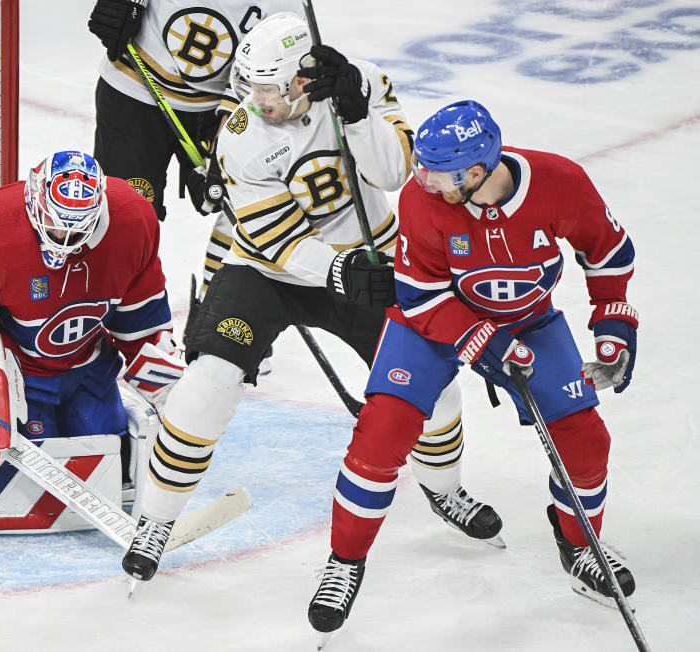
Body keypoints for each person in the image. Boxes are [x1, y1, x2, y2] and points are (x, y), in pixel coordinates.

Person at [121, 13, 503, 584]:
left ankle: (444, 489)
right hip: (269, 271)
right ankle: (153, 521)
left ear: (303, 79)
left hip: (370, 258)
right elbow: (271, 237)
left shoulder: (363, 83)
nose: (254, 99)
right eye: (248, 85)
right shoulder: (240, 136)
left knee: (436, 387)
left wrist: (356, 115)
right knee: (209, 384)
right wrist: (339, 268)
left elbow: (396, 172)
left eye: (267, 87)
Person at [306, 100, 639, 636]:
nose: (423, 183)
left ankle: (580, 546)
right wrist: (485, 341)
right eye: (422, 169)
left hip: (529, 323)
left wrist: (614, 325)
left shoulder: (559, 182)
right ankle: (344, 561)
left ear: (479, 171)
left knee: (586, 440)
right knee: (380, 437)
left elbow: (609, 252)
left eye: (438, 175)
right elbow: (417, 294)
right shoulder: (422, 199)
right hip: (431, 323)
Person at [0, 150, 180, 485]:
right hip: (22, 376)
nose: (64, 238)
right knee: (34, 470)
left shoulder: (132, 218)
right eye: (56, 223)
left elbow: (143, 318)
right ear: (36, 198)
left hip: (90, 368)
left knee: (109, 454)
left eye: (77, 227)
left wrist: (167, 388)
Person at [87, 0, 302, 296]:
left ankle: (216, 320)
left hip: (218, 108)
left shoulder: (287, 8)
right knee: (123, 217)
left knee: (251, 205)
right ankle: (118, 316)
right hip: (133, 91)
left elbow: (271, 72)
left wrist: (226, 138)